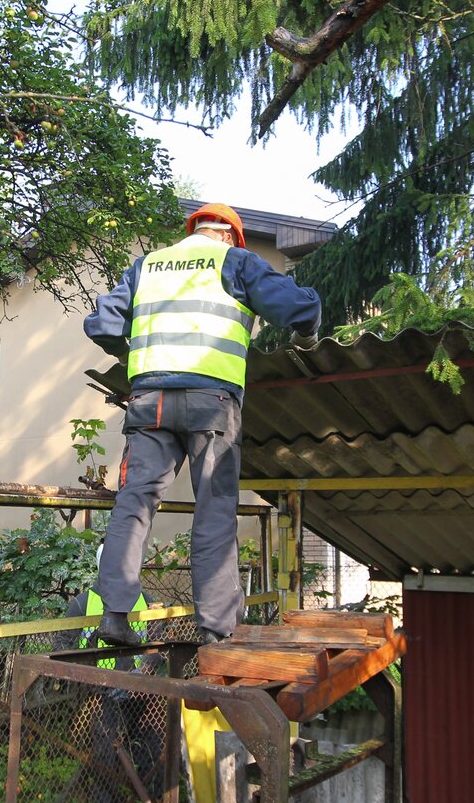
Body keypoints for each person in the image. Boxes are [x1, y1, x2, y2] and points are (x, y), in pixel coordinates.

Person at [84, 202, 321, 647]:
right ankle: (215, 630)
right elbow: (297, 308)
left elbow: (103, 324)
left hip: (149, 401)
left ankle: (115, 617)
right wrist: (308, 331)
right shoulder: (234, 261)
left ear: (193, 230)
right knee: (213, 509)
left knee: (134, 503)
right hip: (211, 403)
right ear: (230, 235)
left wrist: (128, 354)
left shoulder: (147, 266)